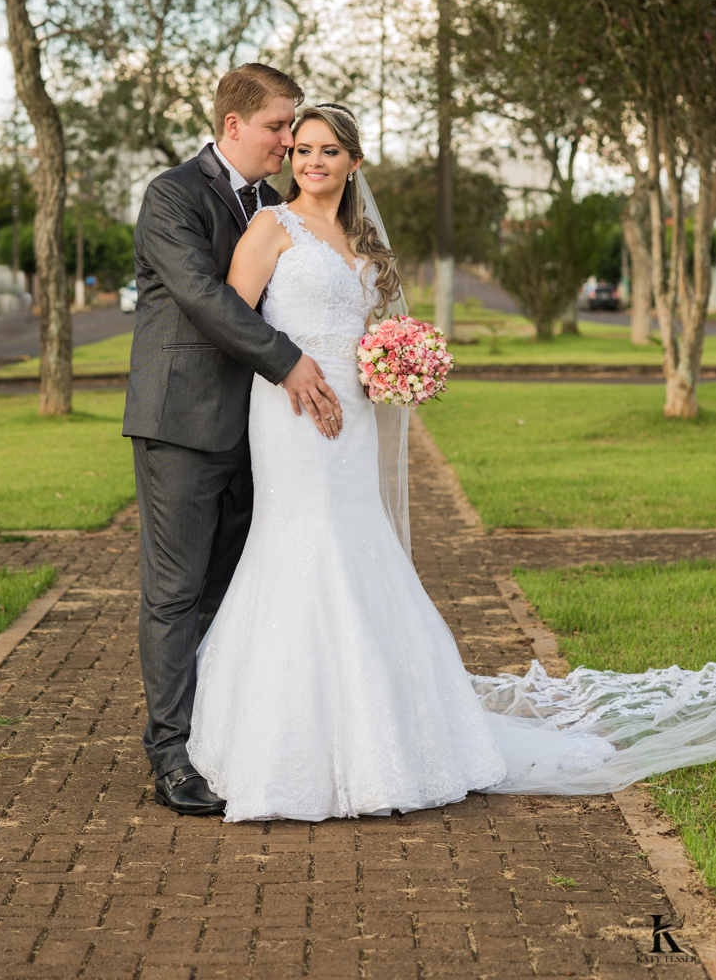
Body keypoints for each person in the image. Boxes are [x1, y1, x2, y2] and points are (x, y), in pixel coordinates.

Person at [186, 102, 716, 822]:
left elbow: (372, 326)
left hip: (355, 409)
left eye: (328, 151)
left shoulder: (363, 242)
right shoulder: (268, 227)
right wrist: (289, 372)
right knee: (302, 542)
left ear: (353, 162)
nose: (311, 161)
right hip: (288, 407)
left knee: (355, 538)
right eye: (302, 148)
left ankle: (388, 724)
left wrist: (398, 364)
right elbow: (232, 319)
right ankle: (284, 740)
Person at [123, 64, 344, 818]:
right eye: (280, 126)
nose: (290, 140)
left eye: (294, 128)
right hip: (182, 423)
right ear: (233, 127)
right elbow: (202, 295)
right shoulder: (171, 195)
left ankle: (222, 736)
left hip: (264, 433)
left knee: (232, 591)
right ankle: (171, 756)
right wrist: (289, 360)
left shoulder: (275, 206)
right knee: (176, 593)